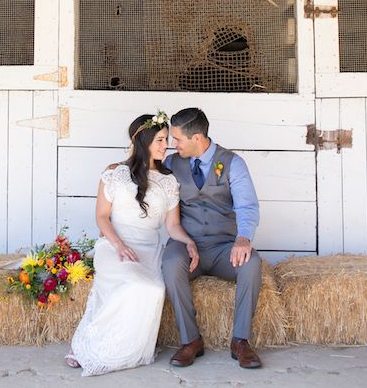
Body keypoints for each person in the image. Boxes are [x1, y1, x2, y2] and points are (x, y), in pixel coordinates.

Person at [67, 111, 199, 376]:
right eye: (160, 140)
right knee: (136, 283)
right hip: (114, 246)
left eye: (166, 139)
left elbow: (172, 226)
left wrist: (189, 242)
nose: (166, 145)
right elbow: (102, 217)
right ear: (144, 141)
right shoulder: (115, 173)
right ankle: (90, 346)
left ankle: (130, 351)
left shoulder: (169, 181)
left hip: (150, 250)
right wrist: (118, 244)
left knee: (153, 289)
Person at [162, 107, 263, 370]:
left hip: (223, 247)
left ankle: (240, 341)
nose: (174, 145)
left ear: (197, 138)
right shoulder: (172, 164)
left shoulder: (233, 163)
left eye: (178, 139)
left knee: (252, 264)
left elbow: (247, 206)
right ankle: (190, 341)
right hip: (187, 244)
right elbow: (142, 173)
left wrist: (243, 238)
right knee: (171, 265)